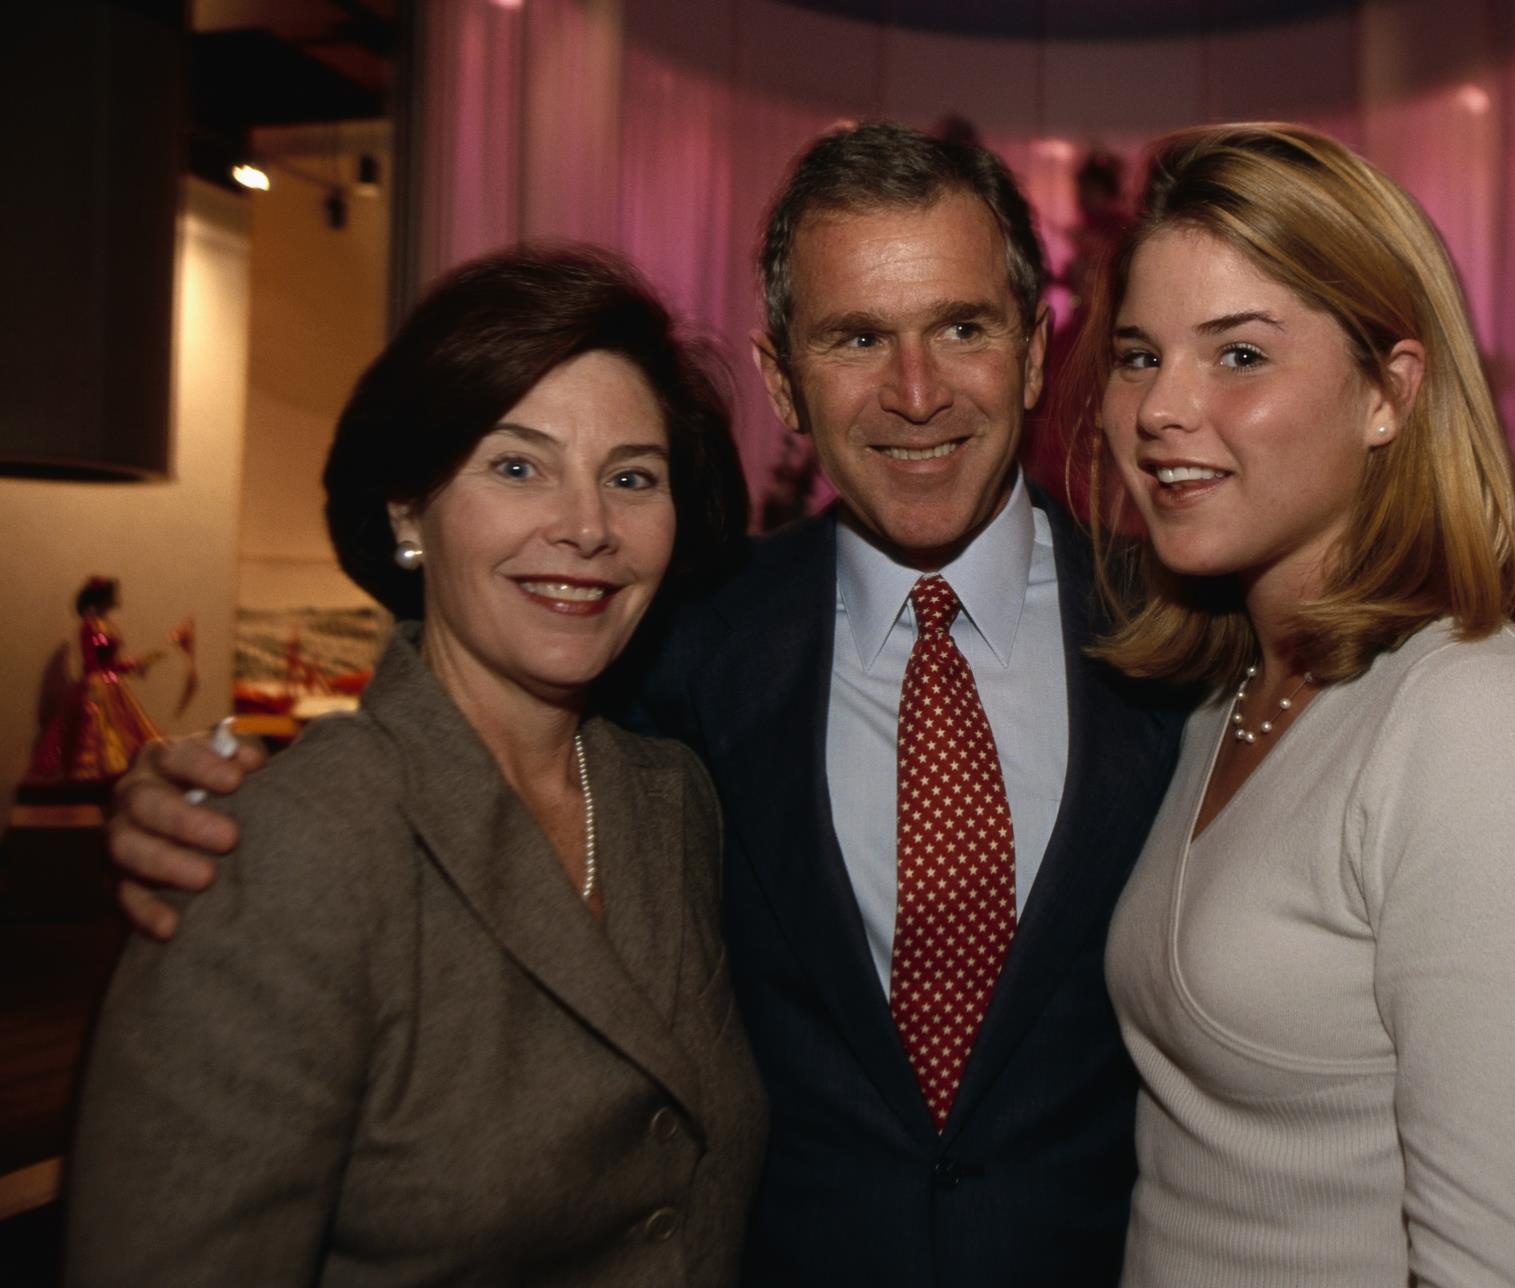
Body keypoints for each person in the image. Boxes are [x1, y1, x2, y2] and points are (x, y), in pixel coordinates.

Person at [105, 122, 1187, 1287]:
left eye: (962, 328)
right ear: (783, 379)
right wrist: (214, 806)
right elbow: (470, 699)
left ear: (1034, 352)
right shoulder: (687, 648)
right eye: (856, 337)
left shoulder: (1191, 637)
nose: (914, 391)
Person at [66, 244, 766, 1285]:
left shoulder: (672, 805)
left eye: (631, 477)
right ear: (407, 511)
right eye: (516, 464)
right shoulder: (288, 846)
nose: (585, 526)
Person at [1079, 123, 1515, 1285]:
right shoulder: (1225, 701)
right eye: (1138, 354)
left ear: (1390, 391)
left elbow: (1510, 1266)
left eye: (1238, 355)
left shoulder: (1477, 719)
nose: (1159, 410)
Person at [25, 576, 168, 784]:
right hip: (97, 687)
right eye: (112, 596)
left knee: (125, 731)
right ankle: (91, 776)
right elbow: (91, 662)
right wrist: (115, 671)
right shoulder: (89, 626)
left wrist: (132, 664)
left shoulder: (109, 625)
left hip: (112, 683)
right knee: (96, 732)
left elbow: (112, 661)